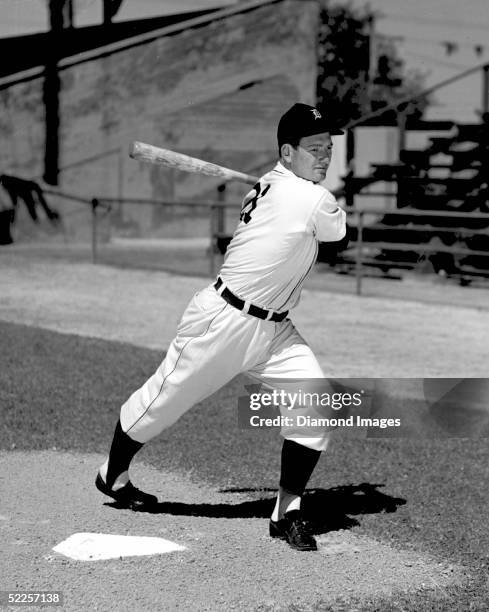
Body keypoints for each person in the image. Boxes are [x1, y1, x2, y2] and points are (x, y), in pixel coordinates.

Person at [96, 103, 346, 551]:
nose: (324, 156)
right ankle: (112, 476)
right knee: (159, 405)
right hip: (222, 321)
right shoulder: (310, 198)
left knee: (315, 404)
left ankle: (286, 510)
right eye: (314, 148)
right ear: (287, 152)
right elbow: (336, 233)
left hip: (274, 330)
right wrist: (312, 196)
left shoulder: (281, 187)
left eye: (328, 147)